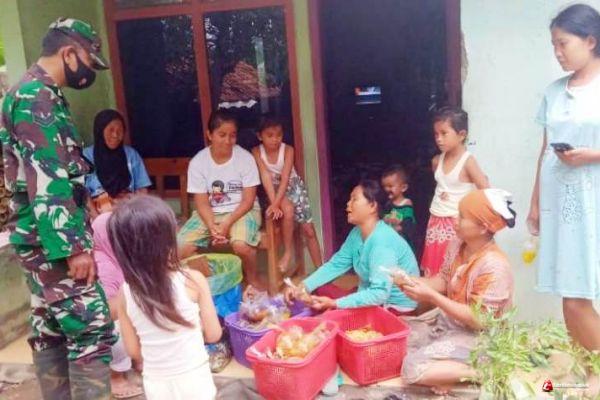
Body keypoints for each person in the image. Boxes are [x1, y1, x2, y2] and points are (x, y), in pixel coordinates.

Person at [0, 18, 116, 399]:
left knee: (50, 329)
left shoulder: (28, 92)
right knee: (91, 329)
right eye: (88, 61)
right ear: (68, 54)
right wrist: (74, 248)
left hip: (39, 241)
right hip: (54, 244)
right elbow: (48, 177)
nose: (89, 72)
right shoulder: (37, 98)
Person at [528, 4, 600, 396]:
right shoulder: (554, 92)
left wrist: (592, 155)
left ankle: (598, 370)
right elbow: (544, 150)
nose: (557, 52)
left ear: (590, 41)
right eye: (553, 45)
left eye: (564, 43)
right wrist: (535, 203)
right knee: (568, 289)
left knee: (578, 295)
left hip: (592, 198)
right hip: (561, 201)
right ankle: (589, 369)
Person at [397, 189, 515, 395]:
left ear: (483, 227)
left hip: (480, 336)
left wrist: (432, 297)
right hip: (449, 323)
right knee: (398, 340)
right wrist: (410, 281)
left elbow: (479, 320)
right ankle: (449, 372)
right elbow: (443, 281)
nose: (454, 219)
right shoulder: (457, 244)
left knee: (411, 368)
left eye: (461, 216)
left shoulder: (495, 265)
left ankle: (484, 370)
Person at [111, 195, 222, 400]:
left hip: (156, 384)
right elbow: (214, 334)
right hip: (195, 380)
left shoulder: (125, 294)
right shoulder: (193, 280)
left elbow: (133, 351)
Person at [286, 179, 419, 313]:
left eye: (354, 199)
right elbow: (335, 265)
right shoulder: (356, 233)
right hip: (372, 296)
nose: (348, 204)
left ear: (372, 206)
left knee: (329, 312)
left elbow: (380, 294)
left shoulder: (382, 240)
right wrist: (302, 287)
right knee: (319, 289)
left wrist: (335, 303)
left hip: (394, 307)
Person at [178, 110, 264, 289]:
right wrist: (212, 226)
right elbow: (202, 202)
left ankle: (253, 280)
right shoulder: (198, 162)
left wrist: (226, 223)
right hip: (210, 213)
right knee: (180, 247)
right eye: (222, 135)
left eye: (232, 135)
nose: (228, 141)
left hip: (242, 211)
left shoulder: (245, 159)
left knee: (240, 245)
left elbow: (248, 201)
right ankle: (209, 282)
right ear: (209, 135)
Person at [421, 106, 489, 277]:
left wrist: (478, 221)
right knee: (435, 268)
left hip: (456, 223)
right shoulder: (437, 161)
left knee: (453, 268)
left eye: (444, 133)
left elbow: (486, 191)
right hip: (436, 220)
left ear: (461, 135)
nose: (439, 139)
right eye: (436, 134)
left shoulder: (468, 162)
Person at [252, 115, 322, 273]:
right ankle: (288, 253)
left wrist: (276, 204)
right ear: (259, 136)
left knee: (309, 230)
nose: (275, 139)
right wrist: (274, 203)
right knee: (288, 211)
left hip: (294, 187)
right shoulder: (256, 152)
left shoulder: (288, 150)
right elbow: (265, 177)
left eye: (279, 135)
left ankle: (321, 271)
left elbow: (285, 178)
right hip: (273, 190)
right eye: (270, 135)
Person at [92, 213, 143, 399]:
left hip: (121, 313)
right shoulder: (103, 266)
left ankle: (136, 360)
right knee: (119, 329)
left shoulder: (117, 256)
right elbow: (106, 312)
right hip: (104, 323)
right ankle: (115, 377)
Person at [84, 109, 151, 215]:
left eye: (120, 131)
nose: (115, 135)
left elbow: (142, 189)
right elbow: (83, 192)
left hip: (128, 210)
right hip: (99, 212)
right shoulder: (86, 156)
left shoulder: (131, 155)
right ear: (100, 130)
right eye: (111, 130)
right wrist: (96, 218)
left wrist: (137, 213)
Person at [381, 164, 417, 251]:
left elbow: (408, 224)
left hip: (403, 242)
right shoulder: (388, 204)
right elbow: (383, 218)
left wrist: (398, 228)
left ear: (403, 188)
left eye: (390, 186)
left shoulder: (406, 204)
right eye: (384, 186)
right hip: (391, 241)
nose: (387, 189)